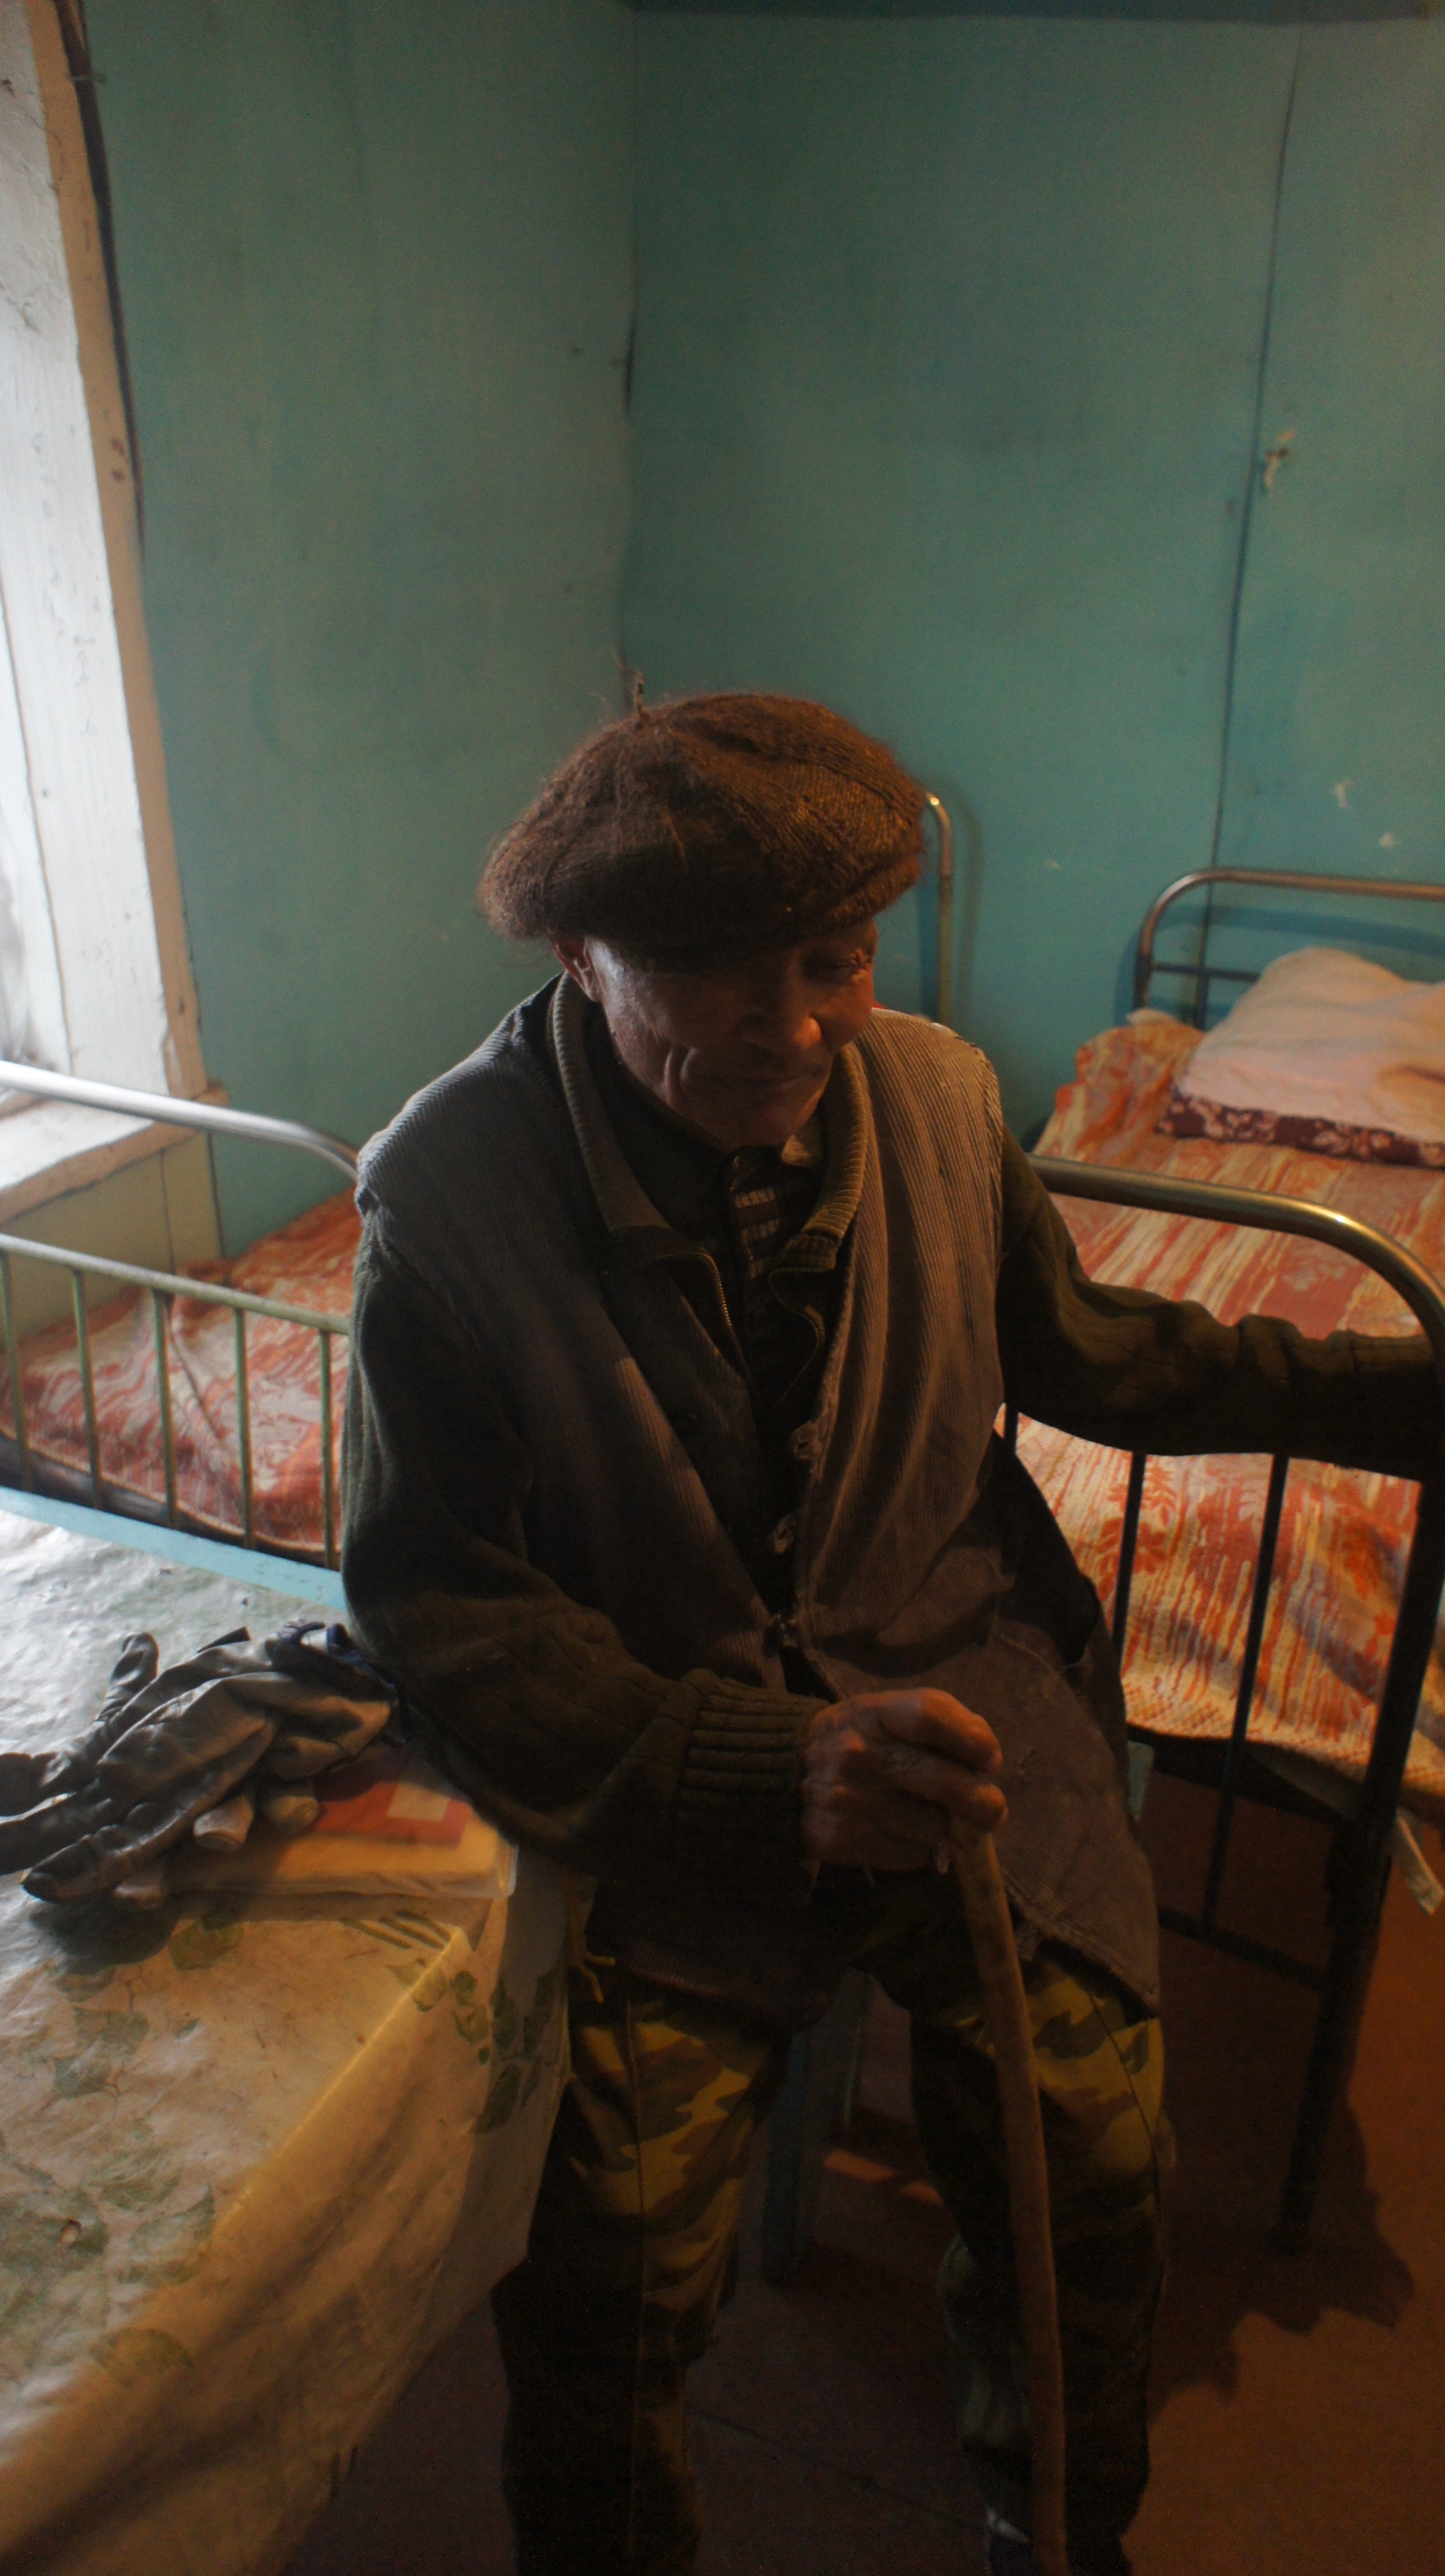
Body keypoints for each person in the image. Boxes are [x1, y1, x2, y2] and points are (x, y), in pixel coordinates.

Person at [341, 693, 1437, 2576]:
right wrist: (765, 1769)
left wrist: (1400, 1396)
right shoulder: (447, 1202)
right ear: (581, 953)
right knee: (606, 2275)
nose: (793, 1030)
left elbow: (1096, 1358)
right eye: (717, 974)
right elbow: (442, 1605)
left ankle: (1054, 2520)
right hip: (666, 1768)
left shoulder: (936, 1099)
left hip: (965, 1699)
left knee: (1095, 2162)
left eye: (834, 963)